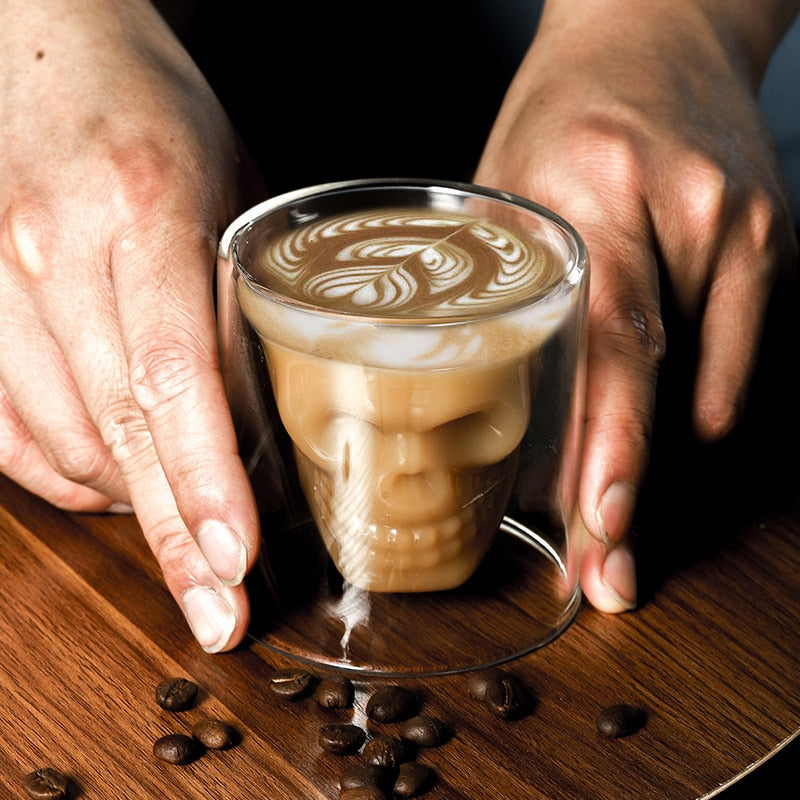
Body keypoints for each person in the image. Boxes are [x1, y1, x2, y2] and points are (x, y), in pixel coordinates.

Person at [0, 0, 797, 653]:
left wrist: (670, 28)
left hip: (620, 174)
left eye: (474, 424)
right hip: (140, 147)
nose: (409, 472)